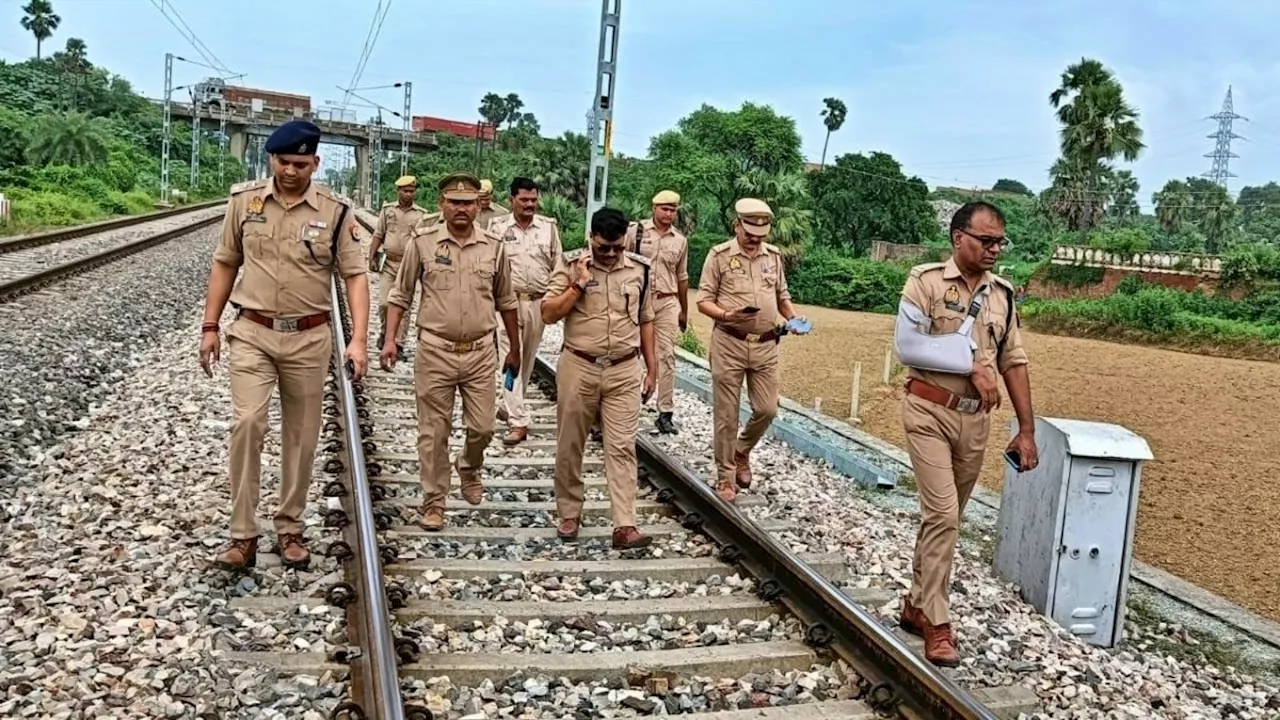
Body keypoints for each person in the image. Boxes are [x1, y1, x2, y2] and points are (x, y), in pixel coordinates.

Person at [198, 119, 370, 571]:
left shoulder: (335, 212)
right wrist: (209, 326)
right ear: (271, 160)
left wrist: (358, 341)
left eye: (300, 163)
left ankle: (290, 525)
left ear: (315, 162)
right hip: (252, 332)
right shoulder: (244, 203)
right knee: (248, 423)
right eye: (283, 162)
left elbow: (355, 276)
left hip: (309, 338)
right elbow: (225, 263)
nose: (291, 171)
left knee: (301, 437)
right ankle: (242, 535)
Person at [894, 200, 1038, 667]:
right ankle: (938, 623)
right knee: (944, 515)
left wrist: (1027, 429)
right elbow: (907, 346)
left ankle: (917, 603)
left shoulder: (1004, 294)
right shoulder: (926, 282)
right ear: (959, 238)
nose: (995, 248)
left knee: (945, 516)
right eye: (986, 240)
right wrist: (971, 364)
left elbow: (1013, 360)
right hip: (928, 410)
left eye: (1000, 241)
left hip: (976, 421)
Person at [380, 171, 520, 532]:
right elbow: (400, 294)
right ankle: (434, 500)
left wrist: (515, 348)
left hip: (479, 353)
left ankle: (470, 465)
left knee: (484, 427)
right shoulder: (423, 243)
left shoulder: (494, 247)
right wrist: (391, 339)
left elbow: (506, 301)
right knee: (433, 432)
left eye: (468, 203)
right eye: (454, 202)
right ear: (442, 204)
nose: (462, 209)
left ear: (478, 205)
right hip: (435, 351)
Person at [541, 206, 657, 550]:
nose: (609, 254)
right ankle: (569, 512)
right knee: (570, 442)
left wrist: (653, 369)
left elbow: (646, 318)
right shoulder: (570, 263)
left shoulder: (640, 270)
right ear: (591, 237)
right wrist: (578, 284)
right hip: (580, 366)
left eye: (616, 248)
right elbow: (548, 313)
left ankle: (624, 524)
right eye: (603, 247)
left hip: (623, 368)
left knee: (621, 446)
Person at [695, 198, 808, 503]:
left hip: (766, 345)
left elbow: (782, 296)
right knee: (726, 414)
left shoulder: (773, 257)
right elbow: (703, 300)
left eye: (761, 235)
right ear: (737, 226)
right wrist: (726, 316)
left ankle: (742, 449)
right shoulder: (718, 256)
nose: (755, 240)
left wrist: (793, 318)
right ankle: (726, 477)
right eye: (749, 233)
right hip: (729, 342)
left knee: (767, 408)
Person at [487, 177, 563, 446]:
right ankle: (519, 421)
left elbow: (559, 267)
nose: (530, 204)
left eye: (533, 200)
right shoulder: (497, 228)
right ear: (512, 200)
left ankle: (507, 403)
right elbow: (490, 267)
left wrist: (553, 299)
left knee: (527, 361)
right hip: (507, 304)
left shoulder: (548, 229)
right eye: (524, 200)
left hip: (537, 304)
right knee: (511, 358)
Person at [625, 190, 689, 434]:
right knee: (633, 350)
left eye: (673, 210)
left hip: (667, 301)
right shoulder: (637, 232)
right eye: (665, 209)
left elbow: (682, 276)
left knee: (667, 355)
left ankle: (665, 411)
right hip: (640, 298)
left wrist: (684, 309)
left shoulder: (680, 241)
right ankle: (629, 402)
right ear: (654, 208)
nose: (669, 214)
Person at [367, 175, 430, 361]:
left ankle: (399, 343)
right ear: (398, 191)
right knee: (384, 303)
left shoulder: (421, 215)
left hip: (409, 265)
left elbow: (424, 241)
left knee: (404, 306)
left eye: (411, 191)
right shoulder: (388, 211)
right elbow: (379, 234)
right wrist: (371, 256)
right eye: (405, 190)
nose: (408, 194)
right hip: (389, 263)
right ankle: (386, 334)